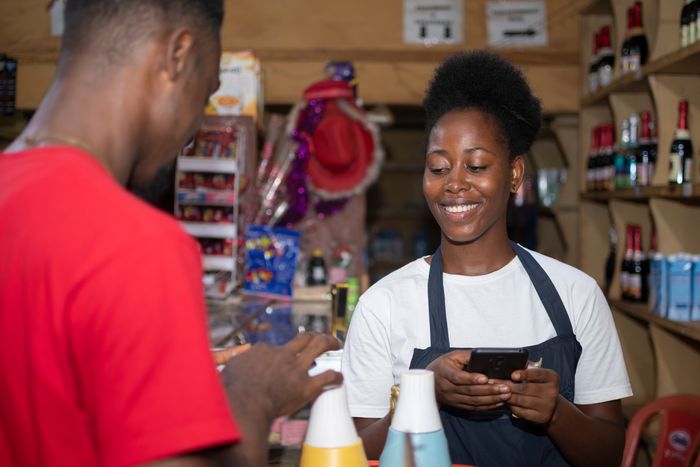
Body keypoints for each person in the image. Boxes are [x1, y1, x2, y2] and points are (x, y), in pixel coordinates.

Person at [0, 1, 341, 466]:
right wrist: (254, 395)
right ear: (178, 55)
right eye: (205, 96)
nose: (195, 129)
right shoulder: (134, 242)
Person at [342, 51, 632, 467]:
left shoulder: (575, 294)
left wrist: (556, 412)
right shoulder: (383, 305)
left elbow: (608, 453)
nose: (454, 184)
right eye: (438, 168)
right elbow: (352, 455)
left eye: (476, 165)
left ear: (515, 175)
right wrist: (426, 396)